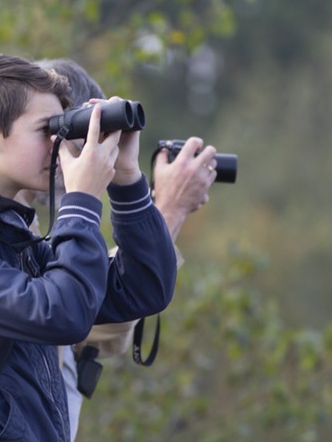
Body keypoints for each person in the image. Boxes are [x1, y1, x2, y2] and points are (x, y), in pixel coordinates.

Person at [0, 52, 178, 440]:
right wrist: (81, 200)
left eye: (60, 128)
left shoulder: (7, 230)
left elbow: (144, 288)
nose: (57, 144)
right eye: (45, 129)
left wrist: (127, 179)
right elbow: (62, 315)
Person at [34, 57, 218, 439]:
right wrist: (167, 209)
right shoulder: (5, 220)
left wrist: (144, 198)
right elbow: (86, 310)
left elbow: (108, 319)